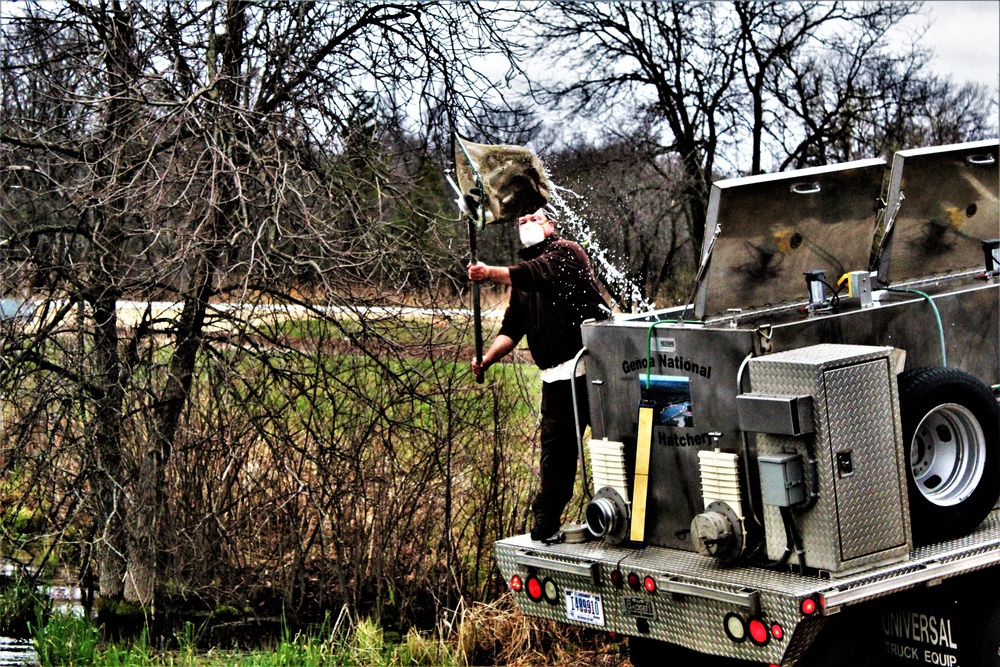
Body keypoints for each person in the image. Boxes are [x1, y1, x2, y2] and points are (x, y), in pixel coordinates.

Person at [468, 208, 610, 542]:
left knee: (610, 446)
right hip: (555, 380)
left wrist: (488, 272)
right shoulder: (522, 280)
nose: (526, 224)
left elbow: (536, 273)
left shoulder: (567, 253)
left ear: (551, 224)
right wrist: (487, 358)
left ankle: (625, 514)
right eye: (521, 221)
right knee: (555, 454)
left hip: (591, 371)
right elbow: (512, 327)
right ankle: (547, 519)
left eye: (533, 218)